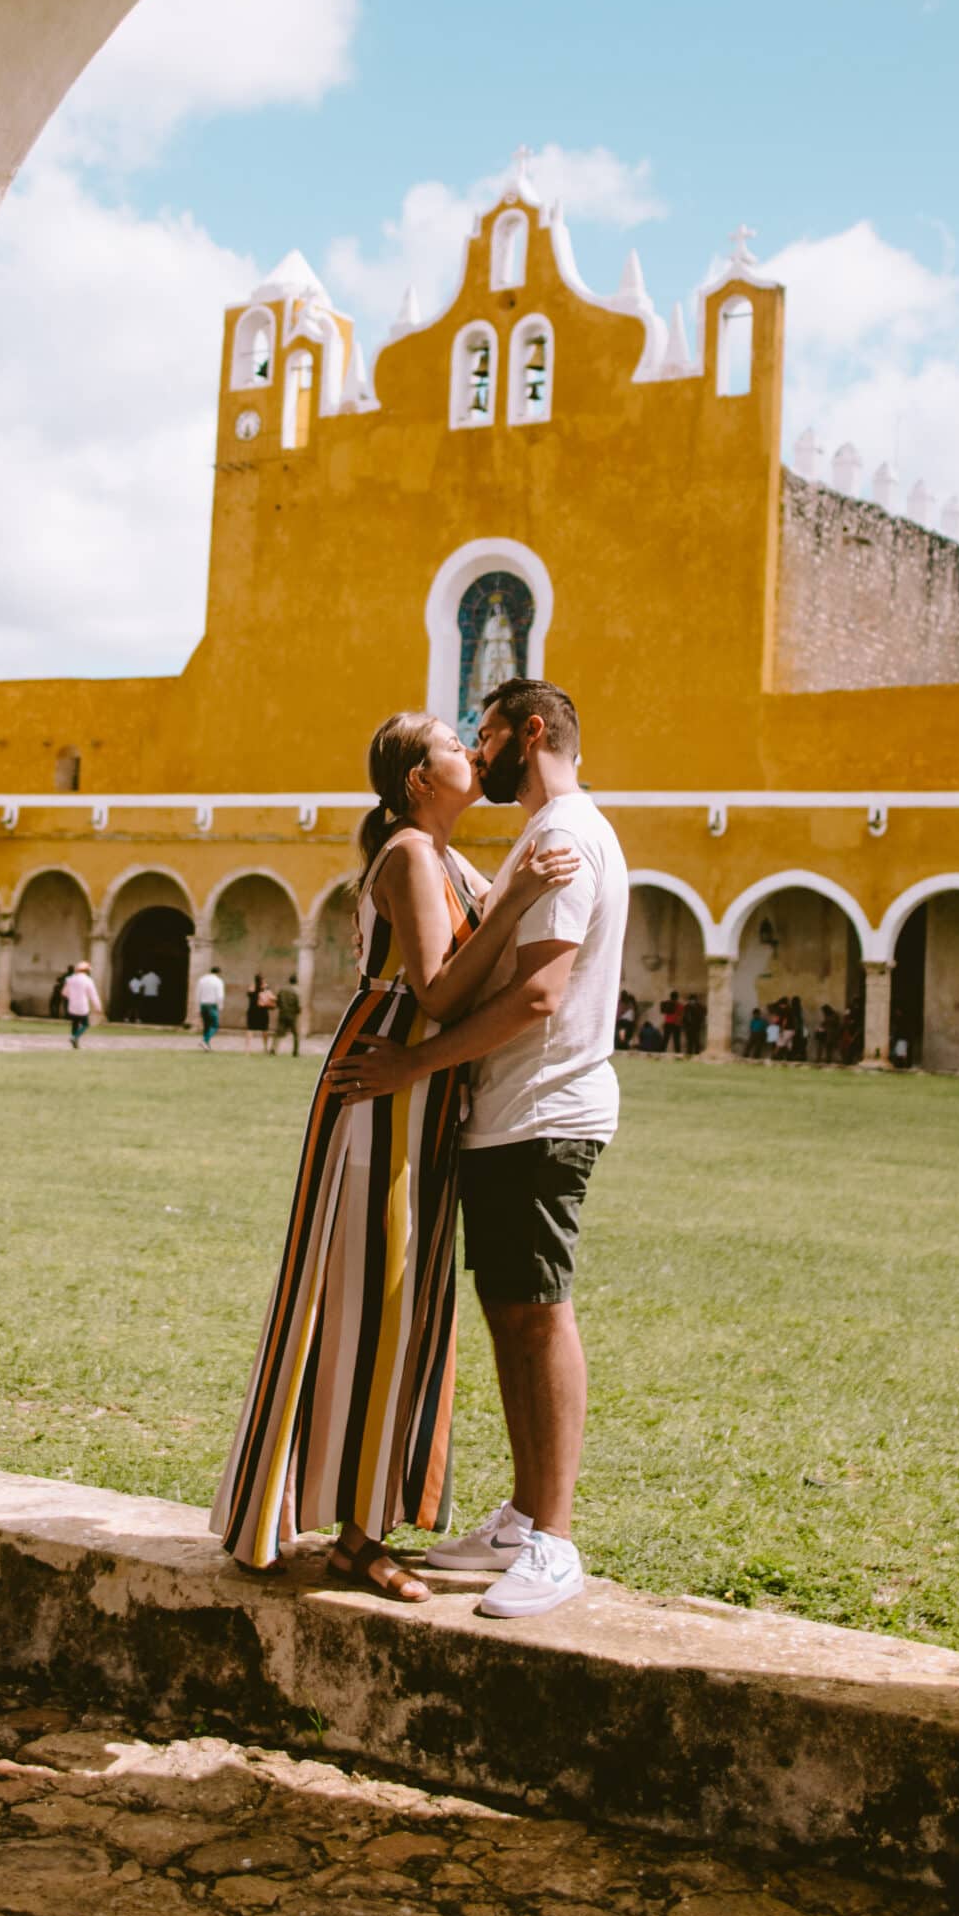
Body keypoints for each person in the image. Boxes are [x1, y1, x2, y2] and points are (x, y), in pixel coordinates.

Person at [213, 710, 577, 1600]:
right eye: (457, 746)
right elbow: (442, 990)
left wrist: (516, 899)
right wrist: (520, 899)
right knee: (373, 1300)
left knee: (405, 1305)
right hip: (384, 1090)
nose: (473, 754)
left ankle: (358, 1525)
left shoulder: (449, 860)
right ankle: (354, 1538)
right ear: (419, 777)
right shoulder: (413, 855)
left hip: (422, 1096)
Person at [333, 676, 628, 1622]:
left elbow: (538, 996)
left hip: (542, 1108)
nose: (478, 746)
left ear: (527, 734)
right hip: (513, 1111)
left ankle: (553, 1537)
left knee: (537, 1312)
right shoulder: (544, 837)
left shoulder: (559, 836)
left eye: (487, 733)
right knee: (512, 1309)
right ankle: (524, 1516)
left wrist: (415, 1062)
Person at [62, 959, 101, 1048]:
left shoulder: (70, 979)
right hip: (83, 1006)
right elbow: (93, 995)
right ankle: (75, 1038)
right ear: (86, 971)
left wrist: (73, 997)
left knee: (75, 1023)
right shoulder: (88, 980)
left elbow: (64, 993)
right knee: (85, 1024)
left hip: (72, 1006)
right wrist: (98, 1007)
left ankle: (75, 1042)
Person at [197, 961, 226, 1047]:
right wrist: (220, 1006)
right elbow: (220, 996)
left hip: (203, 1005)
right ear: (219, 973)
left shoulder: (202, 980)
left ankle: (207, 1044)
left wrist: (198, 1008)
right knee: (214, 1025)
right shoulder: (218, 981)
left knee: (206, 1026)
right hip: (212, 1006)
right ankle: (204, 1040)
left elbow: (198, 994)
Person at [274, 972, 302, 1056]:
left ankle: (274, 1049)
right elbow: (298, 1005)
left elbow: (277, 1001)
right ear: (296, 981)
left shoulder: (282, 990)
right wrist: (298, 1012)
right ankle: (295, 1052)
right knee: (295, 1034)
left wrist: (281, 1008)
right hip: (292, 1015)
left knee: (278, 1033)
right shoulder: (296, 991)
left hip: (282, 1014)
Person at [245, 973, 272, 1052]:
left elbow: (249, 994)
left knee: (250, 1030)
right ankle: (265, 1048)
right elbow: (269, 997)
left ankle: (248, 1048)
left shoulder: (251, 988)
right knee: (265, 1030)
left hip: (252, 1011)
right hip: (263, 1011)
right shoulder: (265, 987)